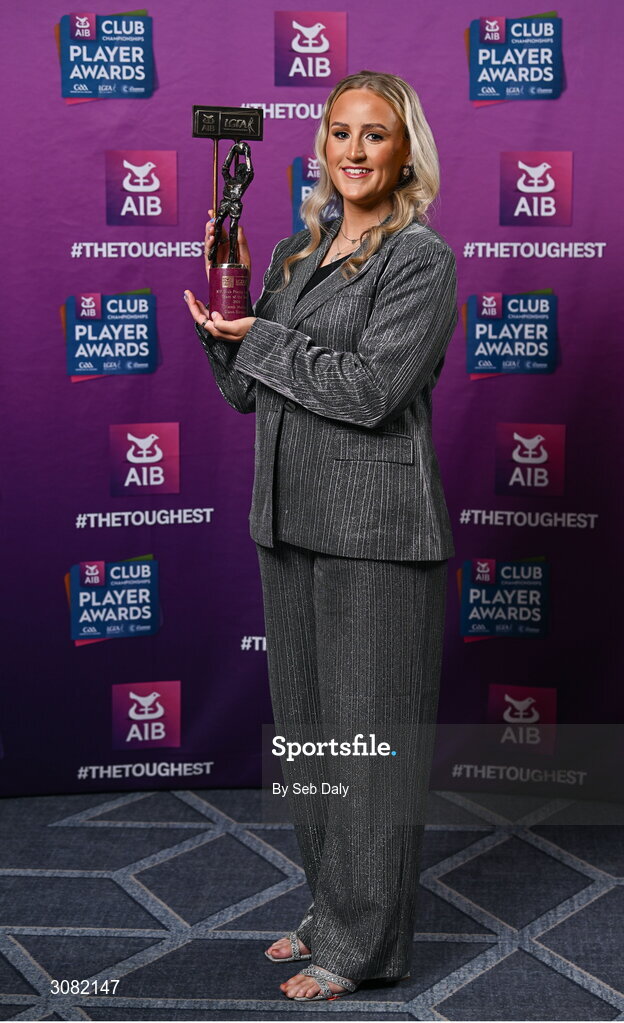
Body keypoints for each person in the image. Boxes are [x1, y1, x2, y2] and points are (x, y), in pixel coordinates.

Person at [184, 70, 457, 1002]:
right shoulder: (300, 255)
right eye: (339, 132)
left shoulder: (419, 259)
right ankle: (334, 900)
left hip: (375, 529)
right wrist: (227, 330)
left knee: (367, 744)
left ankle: (364, 942)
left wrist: (259, 335)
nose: (353, 150)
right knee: (310, 739)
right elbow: (253, 389)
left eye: (373, 134)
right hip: (288, 515)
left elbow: (370, 391)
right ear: (320, 147)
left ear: (403, 150)